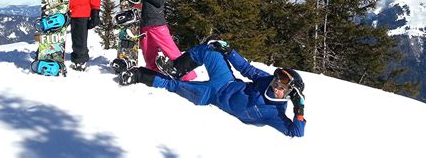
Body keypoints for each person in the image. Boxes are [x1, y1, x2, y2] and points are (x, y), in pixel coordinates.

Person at [118, 40, 306, 137]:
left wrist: (299, 109)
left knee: (174, 86)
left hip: (212, 95)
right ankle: (176, 68)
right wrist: (229, 51)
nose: (275, 85)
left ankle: (137, 75)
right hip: (227, 81)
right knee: (211, 48)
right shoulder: (266, 80)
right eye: (276, 80)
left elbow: (296, 132)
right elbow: (247, 69)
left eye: (281, 86)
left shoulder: (275, 113)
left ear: (289, 94)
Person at [110, 0, 196, 81]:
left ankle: (187, 76)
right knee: (148, 52)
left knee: (170, 50)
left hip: (157, 23)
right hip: (142, 24)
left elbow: (160, 1)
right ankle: (154, 73)